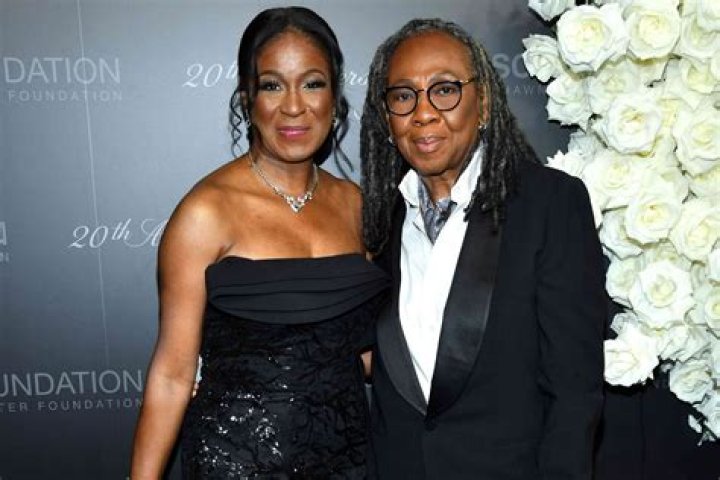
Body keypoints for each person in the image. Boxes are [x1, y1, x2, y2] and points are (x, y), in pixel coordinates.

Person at [131, 7, 388, 479]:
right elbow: (172, 375)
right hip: (236, 464)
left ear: (335, 97)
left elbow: (368, 354)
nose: (293, 106)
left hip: (349, 462)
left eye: (312, 83)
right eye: (272, 85)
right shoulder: (206, 212)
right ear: (247, 99)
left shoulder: (356, 205)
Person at [361, 18, 606, 480]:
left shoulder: (548, 204)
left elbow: (574, 391)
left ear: (485, 102)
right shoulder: (380, 219)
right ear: (387, 117)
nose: (423, 113)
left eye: (445, 90)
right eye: (403, 96)